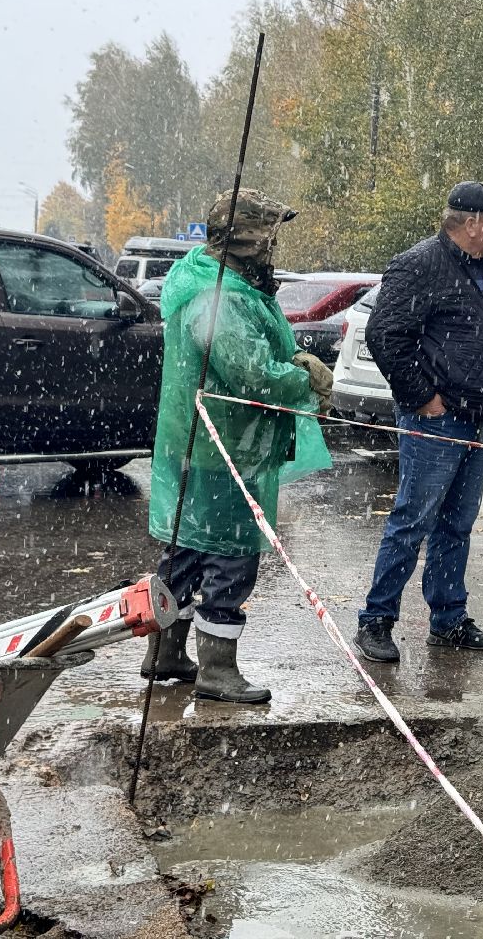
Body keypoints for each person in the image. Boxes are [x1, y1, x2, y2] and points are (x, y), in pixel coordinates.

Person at [143, 189, 333, 702]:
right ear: (247, 238)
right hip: (225, 445)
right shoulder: (218, 296)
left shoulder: (210, 279)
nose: (274, 244)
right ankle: (217, 672)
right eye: (268, 232)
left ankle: (165, 652)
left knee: (186, 550)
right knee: (229, 558)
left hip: (199, 441)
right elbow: (251, 375)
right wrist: (301, 376)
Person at [353, 182, 483, 663]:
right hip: (438, 423)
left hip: (480, 419)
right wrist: (423, 397)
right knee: (412, 521)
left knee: (457, 526)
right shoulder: (420, 264)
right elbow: (385, 333)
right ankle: (376, 621)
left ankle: (448, 620)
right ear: (471, 224)